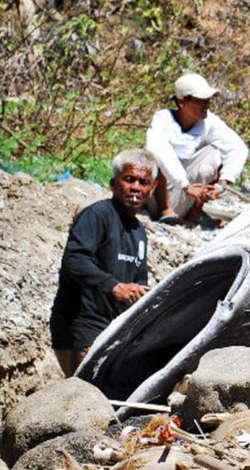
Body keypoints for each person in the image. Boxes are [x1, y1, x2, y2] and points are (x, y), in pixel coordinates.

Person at [50, 149, 157, 377]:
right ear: (113, 184)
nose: (136, 187)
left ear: (152, 188)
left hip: (112, 329)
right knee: (84, 395)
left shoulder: (139, 231)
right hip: (80, 325)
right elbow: (75, 260)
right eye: (129, 179)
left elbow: (138, 280)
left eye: (143, 182)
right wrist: (114, 286)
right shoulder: (97, 215)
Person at [145, 72, 248, 223]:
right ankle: (165, 210)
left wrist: (223, 183)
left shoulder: (209, 122)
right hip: (156, 196)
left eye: (208, 100)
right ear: (182, 102)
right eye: (200, 101)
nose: (206, 105)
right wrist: (185, 185)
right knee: (156, 158)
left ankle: (194, 211)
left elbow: (237, 148)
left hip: (187, 194)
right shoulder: (162, 119)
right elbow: (159, 150)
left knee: (215, 154)